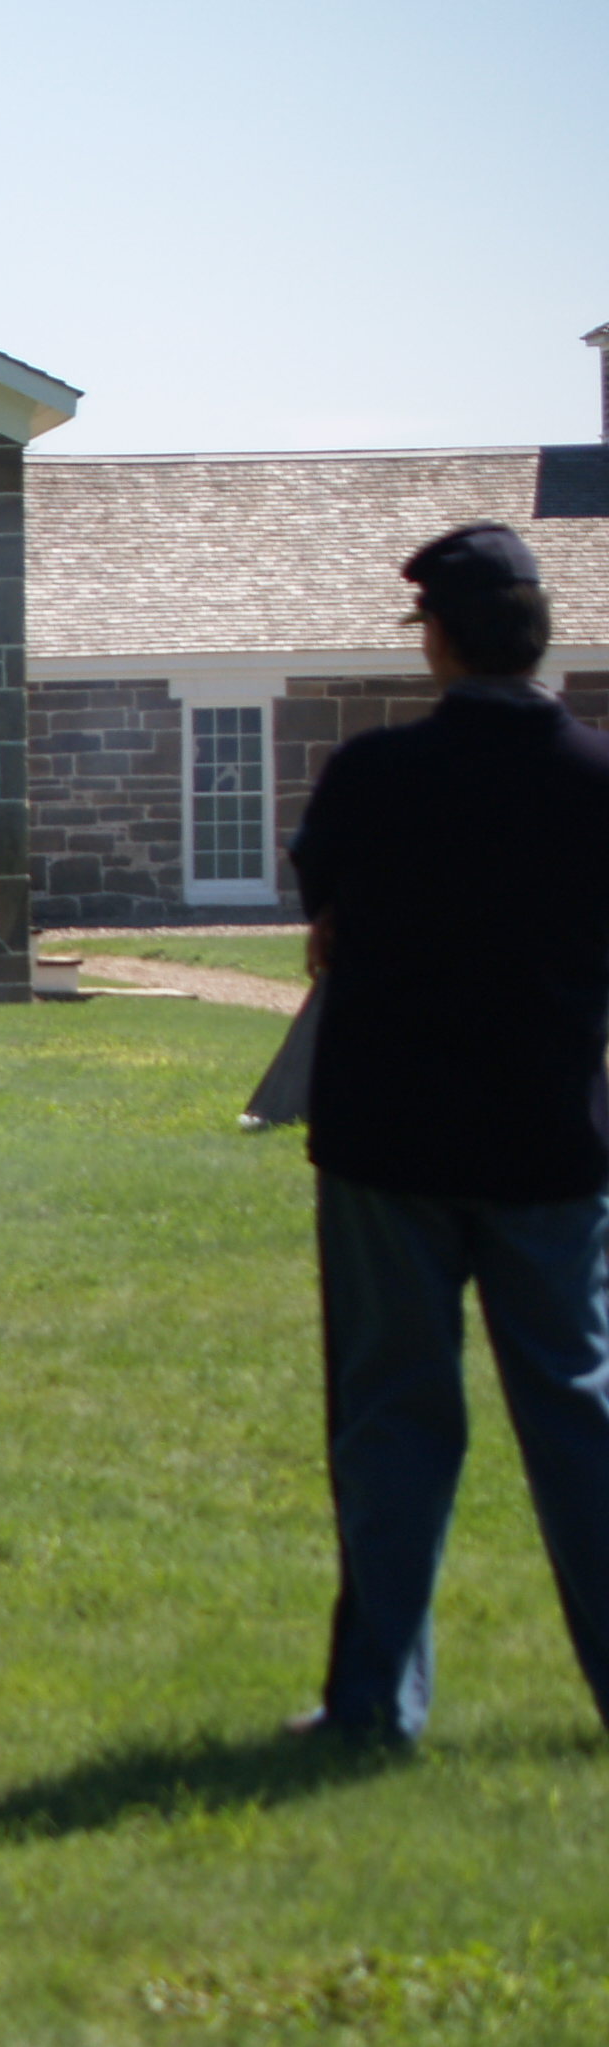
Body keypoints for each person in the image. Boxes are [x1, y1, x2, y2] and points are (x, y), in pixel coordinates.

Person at [285, 521, 609, 1743]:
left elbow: (323, 930)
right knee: (581, 1419)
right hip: (549, 1144)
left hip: (390, 1143)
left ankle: (374, 1702)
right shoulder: (597, 777)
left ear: (441, 640)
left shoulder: (372, 777)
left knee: (391, 1424)